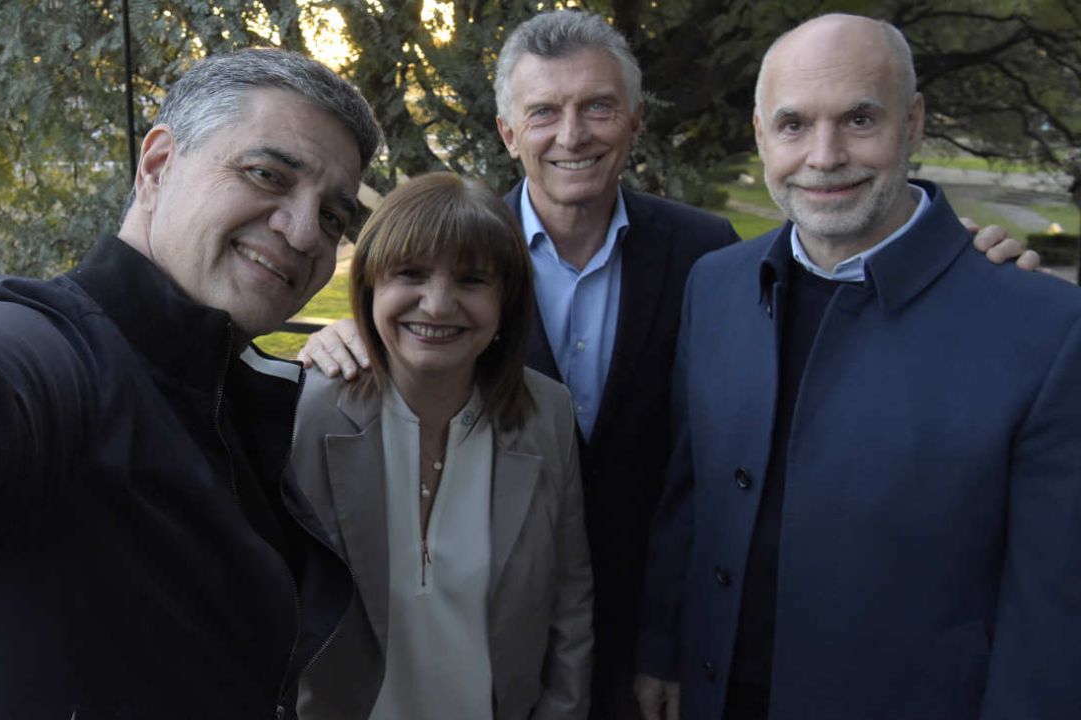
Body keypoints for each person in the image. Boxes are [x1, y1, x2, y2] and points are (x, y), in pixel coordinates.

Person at [297, 10, 1033, 718]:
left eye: (599, 107)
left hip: (656, 630)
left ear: (635, 121)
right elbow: (404, 317)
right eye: (545, 111)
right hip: (496, 627)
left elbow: (727, 440)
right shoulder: (464, 257)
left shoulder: (708, 255)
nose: (572, 134)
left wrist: (953, 257)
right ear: (508, 132)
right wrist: (353, 337)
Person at [0, 49, 382, 718]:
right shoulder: (45, 354)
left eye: (332, 217)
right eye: (267, 174)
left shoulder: (225, 400)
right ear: (157, 165)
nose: (305, 232)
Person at [636, 14, 1081, 720]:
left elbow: (1050, 619)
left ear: (913, 123)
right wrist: (665, 648)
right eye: (793, 125)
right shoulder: (715, 285)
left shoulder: (1047, 330)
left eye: (859, 120)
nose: (824, 155)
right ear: (760, 134)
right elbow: (691, 493)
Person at [291, 172, 592, 720]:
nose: (436, 304)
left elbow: (569, 602)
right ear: (370, 284)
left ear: (506, 301)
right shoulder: (307, 415)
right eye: (410, 273)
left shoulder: (547, 414)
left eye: (472, 280)